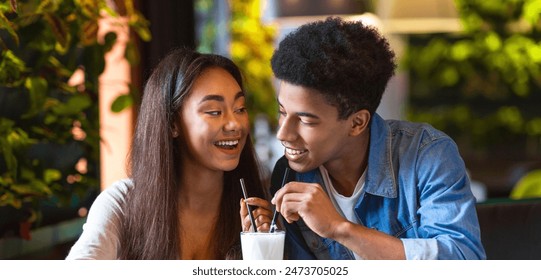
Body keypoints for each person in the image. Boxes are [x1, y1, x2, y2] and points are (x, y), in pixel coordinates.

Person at [267, 17, 486, 260]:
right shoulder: (288, 177)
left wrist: (340, 229)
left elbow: (463, 259)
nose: (283, 133)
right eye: (282, 112)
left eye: (306, 120)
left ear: (357, 123)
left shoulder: (429, 155)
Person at [66, 48, 271, 259]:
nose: (234, 124)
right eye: (214, 112)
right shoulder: (122, 204)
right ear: (173, 123)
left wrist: (261, 255)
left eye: (240, 109)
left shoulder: (262, 213)